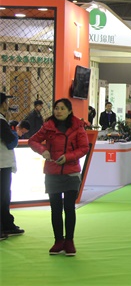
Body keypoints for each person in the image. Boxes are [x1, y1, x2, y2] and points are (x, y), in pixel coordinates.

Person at [28, 98, 90, 256]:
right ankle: (58, 241)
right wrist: (43, 150)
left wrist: (68, 157)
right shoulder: (48, 126)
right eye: (56, 108)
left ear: (69, 111)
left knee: (69, 208)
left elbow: (84, 148)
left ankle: (69, 241)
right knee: (55, 209)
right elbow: (32, 141)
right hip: (52, 173)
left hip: (71, 173)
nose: (59, 111)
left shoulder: (78, 127)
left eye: (62, 108)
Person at [0, 93, 24, 240]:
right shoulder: (1, 121)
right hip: (2, 164)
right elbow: (11, 142)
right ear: (3, 104)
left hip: (3, 164)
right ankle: (4, 226)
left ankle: (6, 225)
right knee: (3, 196)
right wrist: (14, 133)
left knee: (4, 196)